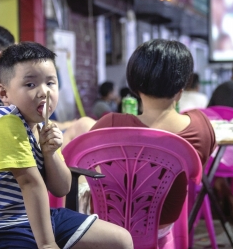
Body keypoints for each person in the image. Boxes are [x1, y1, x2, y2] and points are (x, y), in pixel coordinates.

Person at [0, 42, 133, 249]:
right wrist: (47, 244)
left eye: (50, 83)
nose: (43, 92)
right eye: (30, 85)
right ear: (4, 94)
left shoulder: (43, 126)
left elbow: (61, 188)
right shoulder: (6, 123)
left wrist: (51, 153)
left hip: (41, 217)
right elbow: (30, 183)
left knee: (121, 240)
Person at [90, 39, 216, 233]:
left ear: (134, 85)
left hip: (109, 223)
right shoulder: (200, 127)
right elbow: (195, 174)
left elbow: (85, 167)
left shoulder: (110, 125)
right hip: (163, 224)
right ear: (181, 90)